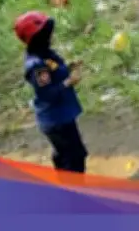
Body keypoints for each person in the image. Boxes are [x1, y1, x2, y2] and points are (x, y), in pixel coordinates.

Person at [14, 11, 88, 174]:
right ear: (38, 37)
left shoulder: (45, 54)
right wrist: (69, 82)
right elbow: (47, 94)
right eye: (46, 33)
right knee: (75, 157)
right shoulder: (37, 66)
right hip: (57, 120)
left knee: (64, 155)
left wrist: (68, 67)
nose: (51, 35)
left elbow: (53, 73)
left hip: (59, 117)